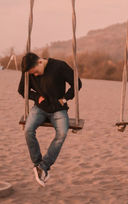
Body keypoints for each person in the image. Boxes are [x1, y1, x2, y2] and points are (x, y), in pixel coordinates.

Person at [18, 52, 82, 187]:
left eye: (35, 72)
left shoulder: (60, 66)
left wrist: (65, 99)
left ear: (40, 62)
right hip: (39, 108)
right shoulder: (28, 70)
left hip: (59, 109)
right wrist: (37, 98)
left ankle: (44, 166)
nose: (34, 75)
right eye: (32, 73)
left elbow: (77, 84)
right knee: (28, 130)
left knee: (62, 133)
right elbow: (22, 90)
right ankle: (38, 164)